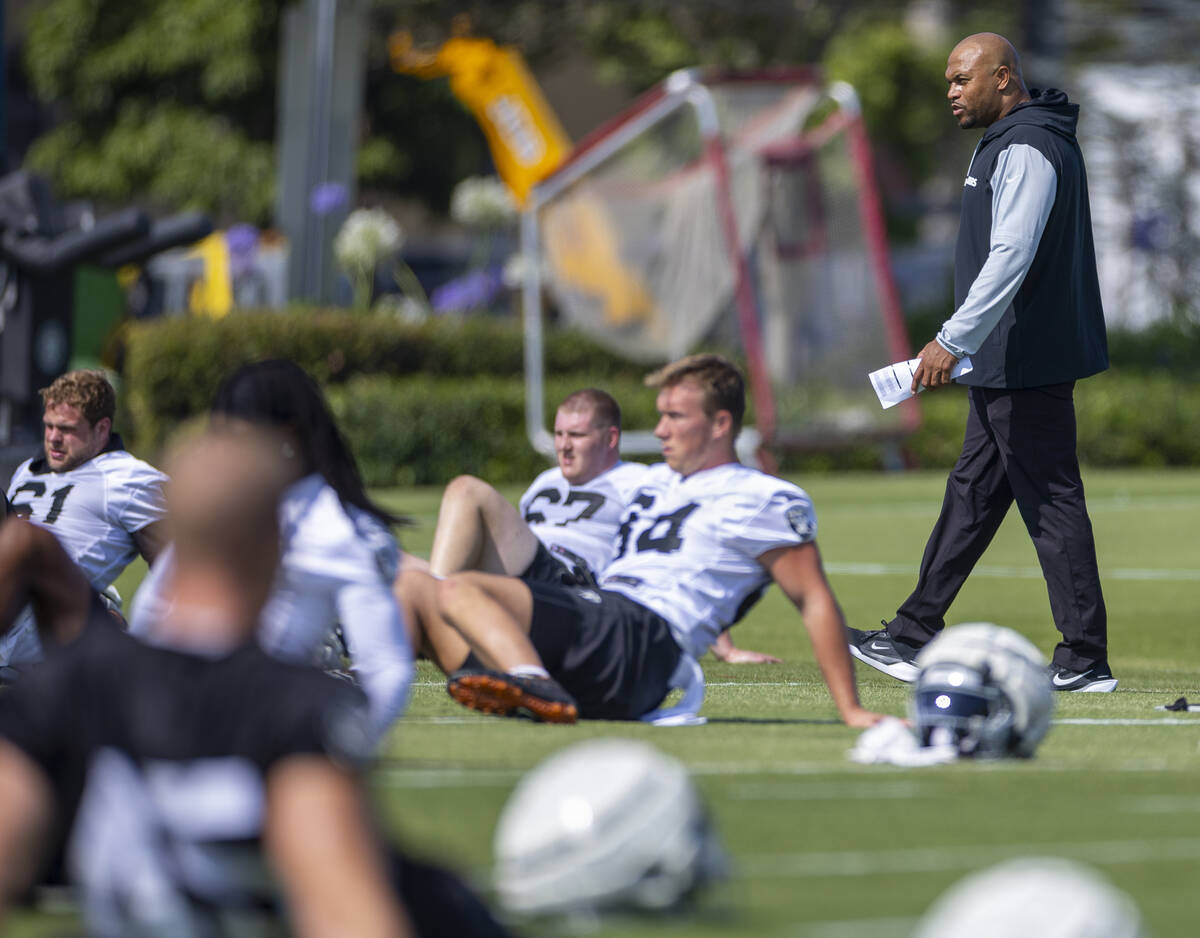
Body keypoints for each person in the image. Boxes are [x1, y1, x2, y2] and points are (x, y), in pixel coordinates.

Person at [395, 354, 885, 728]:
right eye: (660, 415)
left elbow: (813, 598)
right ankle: (353, 715)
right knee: (415, 588)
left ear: (720, 424)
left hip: (644, 639)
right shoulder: (656, 483)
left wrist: (851, 709)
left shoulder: (762, 496)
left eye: (674, 417)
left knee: (459, 590)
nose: (659, 430)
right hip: (602, 619)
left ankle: (536, 684)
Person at [847, 33, 1114, 693]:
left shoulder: (1026, 145)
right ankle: (911, 633)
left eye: (962, 79)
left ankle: (1084, 659)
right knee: (972, 497)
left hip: (1023, 358)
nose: (951, 92)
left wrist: (953, 338)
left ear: (1003, 77)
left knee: (1051, 503)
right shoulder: (1015, 139)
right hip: (1007, 360)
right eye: (948, 80)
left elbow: (1011, 255)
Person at [130, 360, 414, 747]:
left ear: (287, 433)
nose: (222, 452)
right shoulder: (220, 501)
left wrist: (340, 745)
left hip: (262, 726)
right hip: (169, 716)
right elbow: (151, 611)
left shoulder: (341, 531)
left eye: (235, 435)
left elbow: (385, 665)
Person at [423, 387, 779, 664]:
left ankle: (430, 615)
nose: (563, 447)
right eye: (559, 434)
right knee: (402, 570)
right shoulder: (544, 481)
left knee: (465, 490)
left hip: (570, 583)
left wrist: (725, 648)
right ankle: (426, 610)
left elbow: (687, 553)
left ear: (610, 439)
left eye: (576, 436)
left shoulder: (640, 483)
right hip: (522, 575)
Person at [3, 369, 167, 673]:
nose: (53, 438)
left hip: (41, 612)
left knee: (28, 542)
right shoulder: (27, 469)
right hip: (12, 594)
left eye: (66, 429)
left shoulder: (128, 477)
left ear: (102, 429)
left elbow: (183, 561)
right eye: (49, 426)